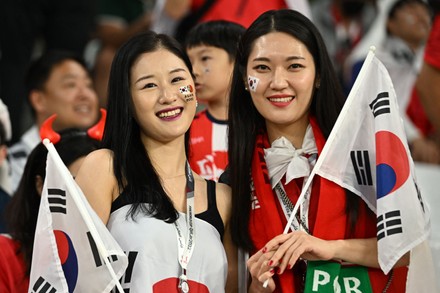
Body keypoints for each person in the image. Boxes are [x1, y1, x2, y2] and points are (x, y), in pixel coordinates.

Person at [225, 9, 408, 292]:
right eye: (262, 68)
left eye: (294, 66)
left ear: (319, 75)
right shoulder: (233, 179)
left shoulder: (364, 156)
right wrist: (257, 287)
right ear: (244, 80)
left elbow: (404, 249)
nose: (277, 81)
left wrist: (329, 248)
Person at [75, 31, 238, 292]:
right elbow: (73, 275)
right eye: (149, 85)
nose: (168, 96)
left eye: (178, 80)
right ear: (127, 100)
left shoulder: (223, 198)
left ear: (194, 90)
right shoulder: (105, 168)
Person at [0, 117, 103, 292]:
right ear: (41, 185)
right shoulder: (4, 255)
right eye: (74, 184)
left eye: (102, 182)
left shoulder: (127, 250)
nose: (88, 195)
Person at [8, 50, 100, 193]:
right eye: (71, 85)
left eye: (89, 85)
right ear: (38, 100)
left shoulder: (105, 155)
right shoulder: (12, 165)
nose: (85, 94)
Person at [185, 20, 245, 181]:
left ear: (239, 60)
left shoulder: (264, 126)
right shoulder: (184, 130)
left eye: (204, 58)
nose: (193, 71)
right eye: (189, 62)